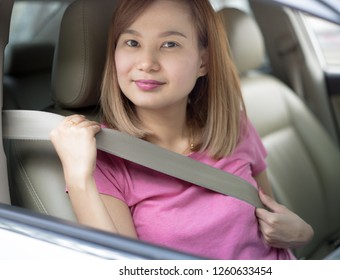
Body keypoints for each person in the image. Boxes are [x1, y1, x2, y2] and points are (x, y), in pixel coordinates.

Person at [50, 0, 313, 260]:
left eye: (169, 44)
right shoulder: (101, 157)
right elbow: (121, 268)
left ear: (203, 61)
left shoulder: (235, 127)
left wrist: (301, 233)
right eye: (132, 43)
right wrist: (78, 179)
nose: (147, 63)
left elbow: (273, 216)